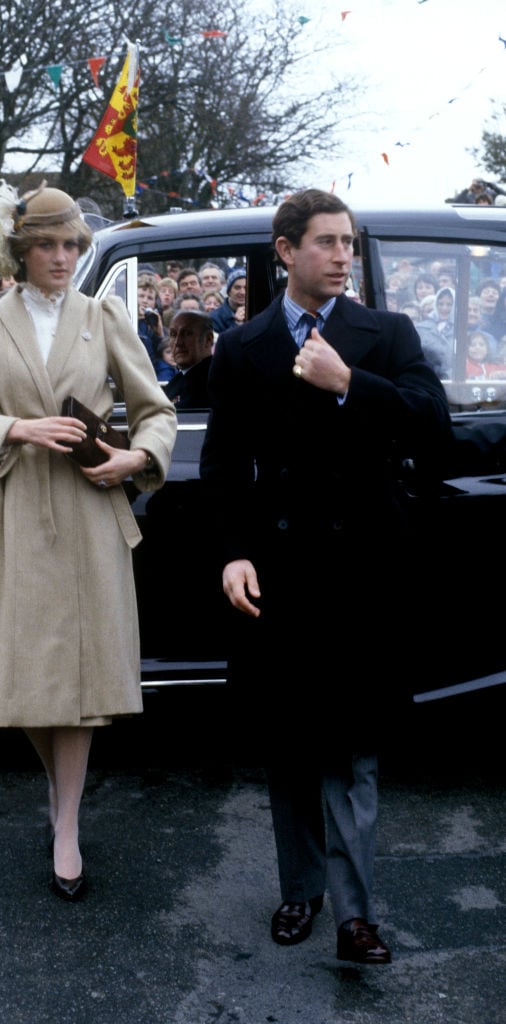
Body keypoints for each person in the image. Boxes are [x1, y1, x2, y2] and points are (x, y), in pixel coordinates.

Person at [200, 189, 452, 965]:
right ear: (286, 252)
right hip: (280, 575)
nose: (343, 255)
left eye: (348, 242)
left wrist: (347, 381)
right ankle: (299, 890)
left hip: (363, 574)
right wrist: (234, 550)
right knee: (292, 747)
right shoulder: (243, 348)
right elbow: (222, 465)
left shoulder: (385, 333)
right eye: (326, 242)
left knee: (355, 748)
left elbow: (432, 425)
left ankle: (355, 916)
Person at [0, 182, 177, 902]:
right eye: (47, 244)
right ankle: (58, 791)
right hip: (12, 514)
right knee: (29, 677)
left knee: (80, 682)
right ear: (18, 250)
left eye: (72, 243)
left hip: (86, 511)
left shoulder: (102, 315)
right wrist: (17, 428)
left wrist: (138, 459)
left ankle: (66, 823)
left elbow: (155, 410)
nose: (63, 256)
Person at [164, 310, 214, 408]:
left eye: (187, 333)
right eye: (173, 334)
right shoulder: (179, 380)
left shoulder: (213, 382)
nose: (178, 343)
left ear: (208, 340)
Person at [212, 267, 246, 332]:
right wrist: (236, 325)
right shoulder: (215, 317)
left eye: (246, 288)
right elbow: (219, 341)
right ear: (229, 291)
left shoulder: (258, 314)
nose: (242, 292)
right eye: (237, 288)